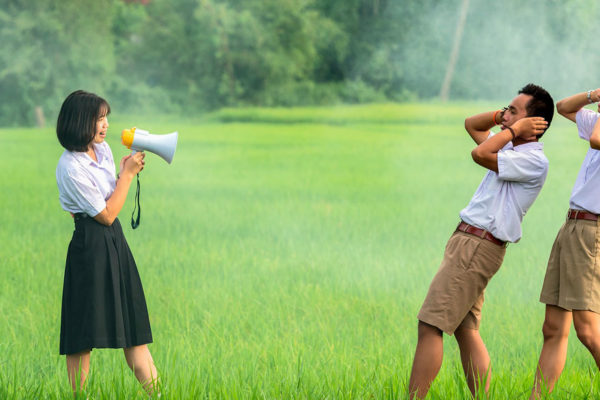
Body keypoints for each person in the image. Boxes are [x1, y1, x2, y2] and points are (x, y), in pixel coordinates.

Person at [408, 84, 554, 399]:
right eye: (506, 109)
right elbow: (471, 125)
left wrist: (512, 129)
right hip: (471, 243)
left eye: (514, 111)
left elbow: (480, 153)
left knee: (430, 326)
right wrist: (505, 118)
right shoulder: (511, 148)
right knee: (465, 329)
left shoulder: (532, 160)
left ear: (534, 124)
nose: (505, 117)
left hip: (477, 245)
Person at [55, 90, 158, 395]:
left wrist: (125, 172)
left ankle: (161, 394)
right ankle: (78, 395)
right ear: (79, 122)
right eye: (99, 119)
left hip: (115, 243)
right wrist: (126, 176)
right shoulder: (70, 167)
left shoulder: (103, 152)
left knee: (134, 328)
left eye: (106, 118)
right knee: (82, 333)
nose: (106, 125)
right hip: (90, 246)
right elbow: (107, 214)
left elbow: (113, 200)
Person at [530, 88, 600, 399]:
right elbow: (563, 107)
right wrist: (594, 94)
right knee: (553, 328)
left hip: (592, 231)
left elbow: (597, 139)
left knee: (587, 328)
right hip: (573, 225)